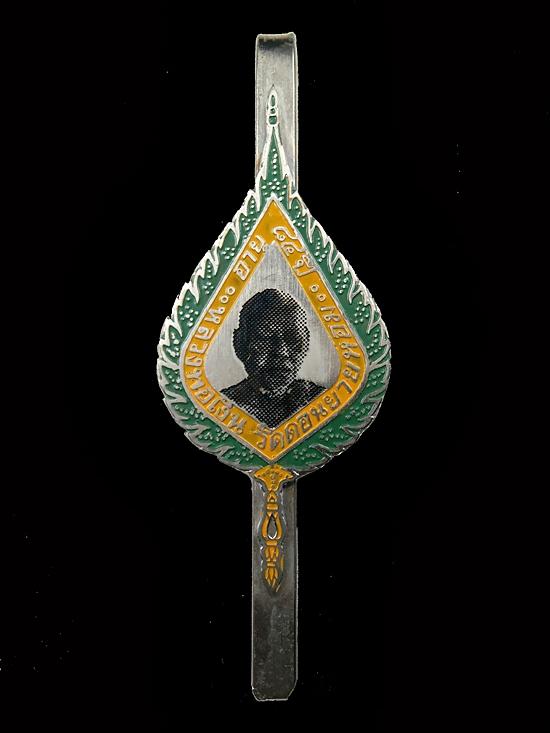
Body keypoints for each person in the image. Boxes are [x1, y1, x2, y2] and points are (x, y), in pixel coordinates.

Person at [222, 289, 324, 427]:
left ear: (305, 344)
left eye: (293, 339)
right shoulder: (225, 404)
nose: (281, 352)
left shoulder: (320, 400)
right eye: (265, 338)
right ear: (240, 344)